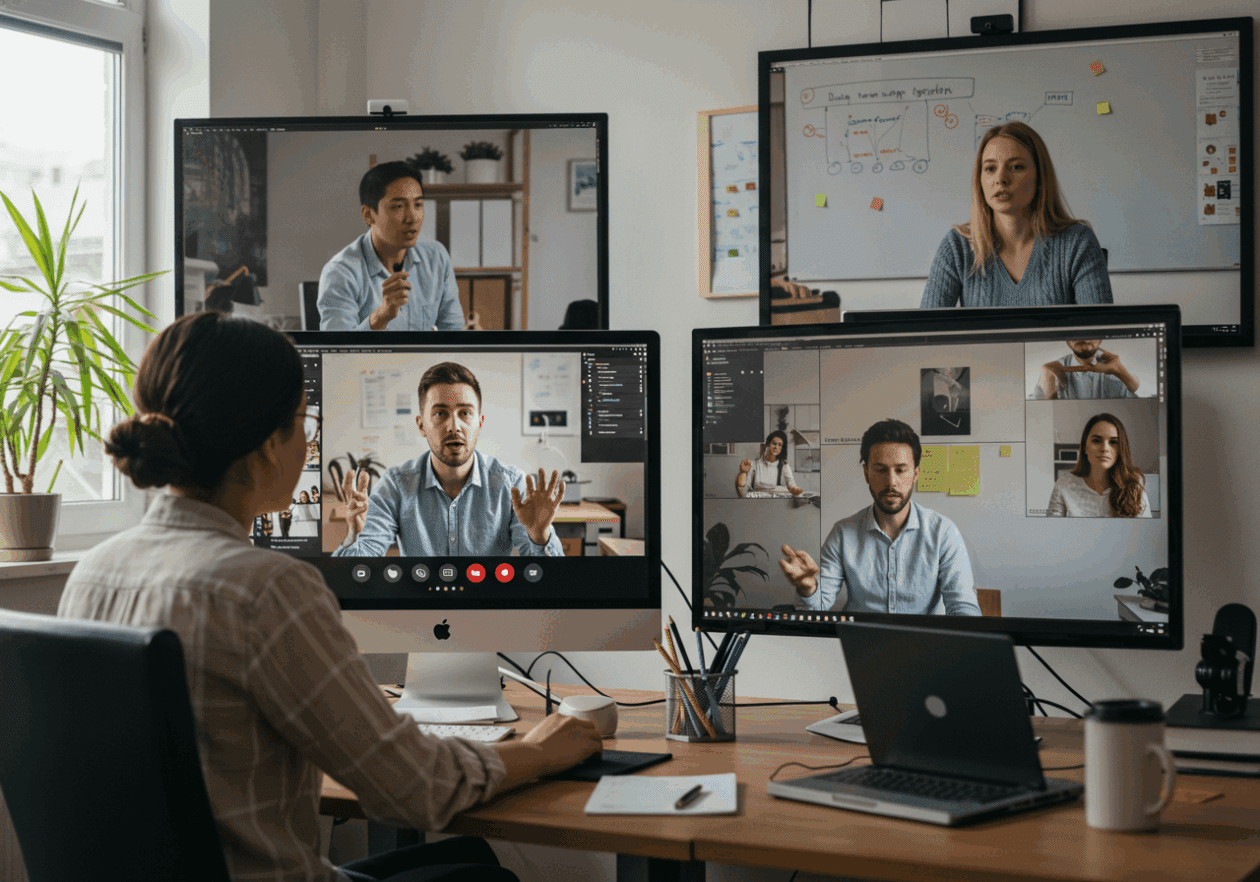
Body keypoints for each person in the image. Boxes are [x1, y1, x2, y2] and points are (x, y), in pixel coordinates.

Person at [57, 312, 601, 882]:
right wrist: (543, 750)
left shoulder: (93, 573)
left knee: (466, 858)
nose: (310, 438)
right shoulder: (267, 590)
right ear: (270, 445)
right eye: (302, 422)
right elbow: (415, 788)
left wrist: (540, 537)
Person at [334, 361, 566, 557]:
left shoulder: (511, 483)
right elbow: (355, 572)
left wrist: (540, 536)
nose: (454, 426)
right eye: (440, 413)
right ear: (421, 425)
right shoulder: (396, 485)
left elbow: (549, 580)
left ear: (480, 423)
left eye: (465, 413)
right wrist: (354, 536)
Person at [779, 419, 980, 615]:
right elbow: (816, 609)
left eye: (901, 470)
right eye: (880, 470)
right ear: (866, 473)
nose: (891, 482)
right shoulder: (843, 534)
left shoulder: (943, 532)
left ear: (916, 473)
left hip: (924, 645)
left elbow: (963, 608)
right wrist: (808, 588)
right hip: (860, 643)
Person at [921, 121, 1113, 308]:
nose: (1001, 179)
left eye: (1016, 167)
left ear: (1039, 176)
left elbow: (1098, 332)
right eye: (990, 168)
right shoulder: (958, 246)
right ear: (979, 180)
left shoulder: (1078, 242)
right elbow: (925, 335)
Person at [318, 161, 465, 331]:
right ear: (368, 215)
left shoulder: (436, 256)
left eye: (418, 205)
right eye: (398, 206)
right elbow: (337, 351)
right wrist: (380, 318)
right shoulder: (340, 272)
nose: (412, 218)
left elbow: (453, 332)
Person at [1047, 412, 1151, 518]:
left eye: (1113, 442)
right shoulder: (1063, 486)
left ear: (1121, 450)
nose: (1104, 448)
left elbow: (1146, 532)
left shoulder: (1134, 488)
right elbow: (1052, 531)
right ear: (1085, 447)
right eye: (1096, 441)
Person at [1033, 339, 1139, 399]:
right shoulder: (1050, 372)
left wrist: (1124, 374)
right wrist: (1049, 394)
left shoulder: (1116, 370)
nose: (1083, 337)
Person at [736, 430, 802, 497]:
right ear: (768, 444)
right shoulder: (754, 464)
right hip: (756, 503)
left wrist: (795, 490)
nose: (776, 447)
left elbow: (792, 484)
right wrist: (743, 472)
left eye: (780, 445)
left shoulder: (784, 466)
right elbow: (743, 492)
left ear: (782, 448)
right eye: (774, 443)